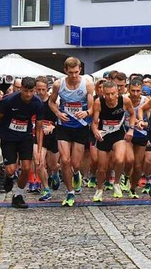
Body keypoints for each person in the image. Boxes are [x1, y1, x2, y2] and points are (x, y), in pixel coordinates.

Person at [0, 77, 44, 208]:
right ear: (20, 89)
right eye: (25, 91)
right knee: (10, 169)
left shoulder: (37, 103)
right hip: (8, 137)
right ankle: (8, 177)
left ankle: (18, 195)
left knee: (26, 168)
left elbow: (39, 127)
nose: (28, 94)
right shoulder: (8, 101)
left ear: (34, 91)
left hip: (25, 137)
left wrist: (38, 149)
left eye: (31, 91)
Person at [49, 57, 94, 207]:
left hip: (80, 126)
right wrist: (57, 113)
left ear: (80, 70)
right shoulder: (58, 84)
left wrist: (86, 112)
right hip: (64, 125)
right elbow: (51, 102)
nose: (74, 75)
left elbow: (93, 107)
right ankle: (70, 192)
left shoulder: (87, 84)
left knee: (75, 163)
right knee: (65, 160)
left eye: (76, 72)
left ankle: (76, 173)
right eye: (71, 72)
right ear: (65, 71)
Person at [90, 81, 136, 202]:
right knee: (102, 167)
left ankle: (116, 183)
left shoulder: (125, 101)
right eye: (107, 94)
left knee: (120, 159)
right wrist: (95, 131)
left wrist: (131, 129)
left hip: (118, 133)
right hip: (104, 134)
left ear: (118, 92)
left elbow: (132, 114)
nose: (110, 97)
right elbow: (94, 122)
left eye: (113, 94)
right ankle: (99, 189)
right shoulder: (99, 102)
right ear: (103, 93)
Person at [34, 76, 60, 202]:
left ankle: (55, 174)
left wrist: (52, 125)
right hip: (37, 136)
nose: (40, 92)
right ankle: (46, 190)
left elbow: (60, 119)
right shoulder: (31, 102)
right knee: (39, 163)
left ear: (47, 89)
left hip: (52, 136)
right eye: (38, 89)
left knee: (53, 165)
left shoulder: (52, 102)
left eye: (43, 89)